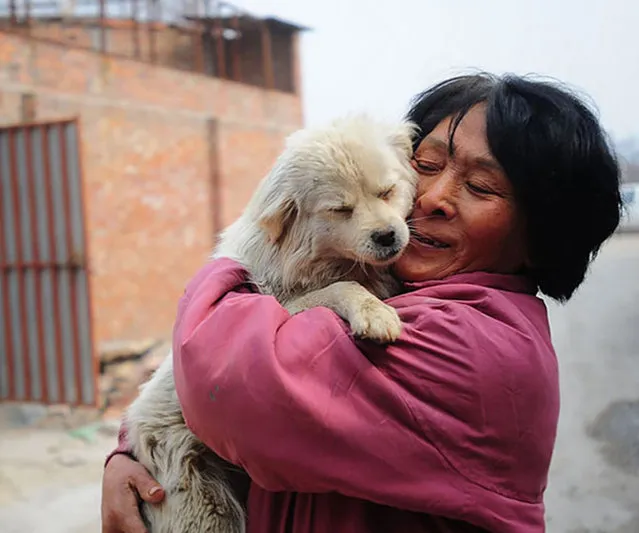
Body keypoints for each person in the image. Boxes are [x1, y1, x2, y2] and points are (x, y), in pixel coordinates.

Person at [101, 72, 623, 533]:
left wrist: (225, 266)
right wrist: (132, 453)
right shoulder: (395, 285)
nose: (431, 198)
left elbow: (228, 388)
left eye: (481, 186)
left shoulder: (474, 349)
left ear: (543, 234)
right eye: (425, 164)